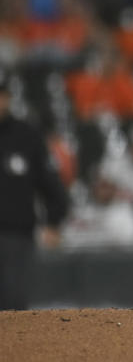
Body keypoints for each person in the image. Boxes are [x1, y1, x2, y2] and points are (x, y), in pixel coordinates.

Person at [0, 69, 69, 309]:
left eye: (2, 94)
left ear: (9, 97)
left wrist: (54, 220)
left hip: (15, 237)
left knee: (13, 305)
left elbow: (50, 182)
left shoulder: (26, 135)